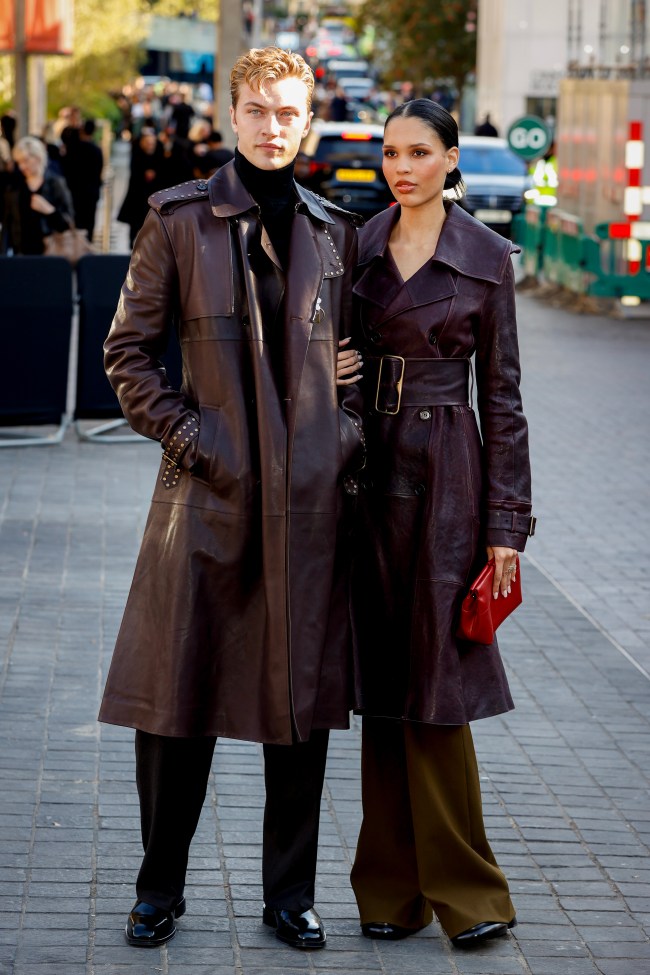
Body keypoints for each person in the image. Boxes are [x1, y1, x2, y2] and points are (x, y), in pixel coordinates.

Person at [98, 47, 364, 952]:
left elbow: (361, 364)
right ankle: (158, 888)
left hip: (311, 507)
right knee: (178, 703)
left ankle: (290, 895)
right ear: (232, 113)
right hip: (206, 502)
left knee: (301, 710)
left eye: (288, 112)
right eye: (257, 109)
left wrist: (342, 433)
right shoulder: (178, 218)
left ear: (308, 120)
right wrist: (197, 439)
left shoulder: (337, 232)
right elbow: (127, 354)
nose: (272, 126)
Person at [338, 98, 534, 949]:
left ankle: (468, 889)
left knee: (437, 682)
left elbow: (505, 398)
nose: (401, 167)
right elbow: (320, 348)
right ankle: (388, 890)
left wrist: (506, 524)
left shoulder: (486, 257)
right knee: (383, 680)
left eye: (419, 152)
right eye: (391, 153)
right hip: (364, 470)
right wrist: (331, 368)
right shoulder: (356, 244)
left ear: (452, 158)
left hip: (449, 475)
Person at [0, 135, 74, 255]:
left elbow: (68, 223)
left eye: (26, 160)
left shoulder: (55, 184)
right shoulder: (14, 187)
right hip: (20, 254)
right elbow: (6, 225)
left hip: (50, 252)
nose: (22, 166)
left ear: (38, 157)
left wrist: (49, 210)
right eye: (19, 162)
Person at [61, 119, 104, 241]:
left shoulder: (71, 150)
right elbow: (99, 171)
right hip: (91, 193)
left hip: (74, 192)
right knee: (89, 224)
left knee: (76, 223)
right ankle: (87, 246)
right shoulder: (96, 150)